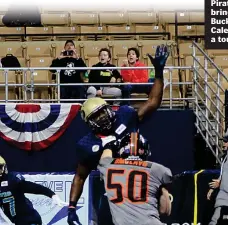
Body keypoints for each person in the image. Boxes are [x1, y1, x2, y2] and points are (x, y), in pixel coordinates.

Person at [67, 45, 169, 225]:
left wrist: (158, 73)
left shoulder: (124, 115)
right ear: (89, 122)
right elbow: (80, 176)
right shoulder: (87, 144)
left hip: (141, 187)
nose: (102, 117)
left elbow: (153, 102)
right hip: (112, 197)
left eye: (102, 111)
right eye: (96, 116)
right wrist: (72, 207)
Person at [97, 131, 172, 225]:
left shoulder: (107, 166)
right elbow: (165, 211)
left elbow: (104, 158)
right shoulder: (158, 169)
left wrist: (110, 145)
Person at [0, 156, 66, 225]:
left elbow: (33, 187)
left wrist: (52, 195)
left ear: (4, 167)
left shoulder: (12, 179)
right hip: (16, 221)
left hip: (29, 219)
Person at [208, 141, 228, 225]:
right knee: (215, 219)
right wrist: (213, 188)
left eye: (226, 142)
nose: (224, 143)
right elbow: (224, 174)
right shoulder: (225, 157)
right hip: (224, 195)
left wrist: (220, 183)